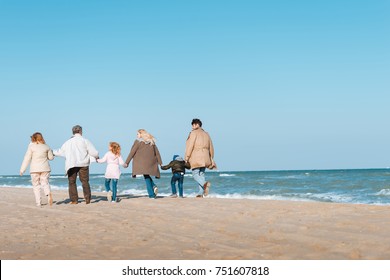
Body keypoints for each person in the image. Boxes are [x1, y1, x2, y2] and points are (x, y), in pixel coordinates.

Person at [53, 125, 99, 204]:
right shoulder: (85, 140)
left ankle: (74, 200)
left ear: (73, 132)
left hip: (71, 164)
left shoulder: (67, 142)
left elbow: (60, 152)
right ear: (81, 131)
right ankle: (87, 199)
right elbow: (94, 152)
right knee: (85, 181)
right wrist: (97, 157)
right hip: (83, 164)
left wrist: (51, 152)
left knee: (72, 182)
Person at [125, 129, 162, 199]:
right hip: (151, 163)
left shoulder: (138, 143)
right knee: (147, 176)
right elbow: (157, 154)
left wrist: (127, 162)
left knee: (146, 177)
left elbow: (132, 153)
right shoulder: (152, 143)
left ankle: (151, 195)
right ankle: (153, 186)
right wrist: (160, 163)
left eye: (138, 134)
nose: (137, 135)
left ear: (141, 134)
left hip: (142, 164)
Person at [20, 132, 54, 207]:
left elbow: (27, 158)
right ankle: (48, 194)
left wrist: (22, 169)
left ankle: (38, 202)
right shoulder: (46, 146)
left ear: (33, 139)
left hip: (34, 169)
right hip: (45, 168)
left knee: (36, 185)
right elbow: (51, 158)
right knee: (45, 182)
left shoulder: (31, 147)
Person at [185, 118, 216, 198]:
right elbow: (211, 147)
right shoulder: (207, 134)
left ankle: (204, 184)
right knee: (201, 174)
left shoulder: (193, 133)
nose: (192, 127)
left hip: (196, 156)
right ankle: (200, 193)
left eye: (193, 125)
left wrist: (187, 157)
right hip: (206, 157)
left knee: (195, 174)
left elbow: (190, 146)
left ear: (197, 125)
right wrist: (211, 157)